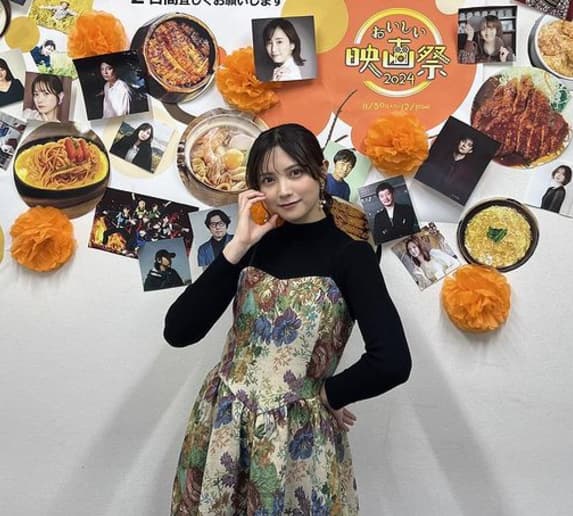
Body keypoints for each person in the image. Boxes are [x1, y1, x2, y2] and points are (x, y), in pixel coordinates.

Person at [164, 123, 411, 515]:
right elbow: (179, 331)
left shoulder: (351, 256)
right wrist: (238, 245)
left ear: (321, 171)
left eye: (295, 172)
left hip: (297, 436)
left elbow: (392, 361)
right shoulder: (252, 246)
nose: (283, 190)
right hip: (224, 423)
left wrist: (329, 394)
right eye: (268, 179)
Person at [416, 135, 478, 204]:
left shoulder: (467, 171)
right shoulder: (441, 156)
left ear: (470, 151)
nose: (464, 145)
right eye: (463, 141)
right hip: (422, 191)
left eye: (469, 145)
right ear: (459, 142)